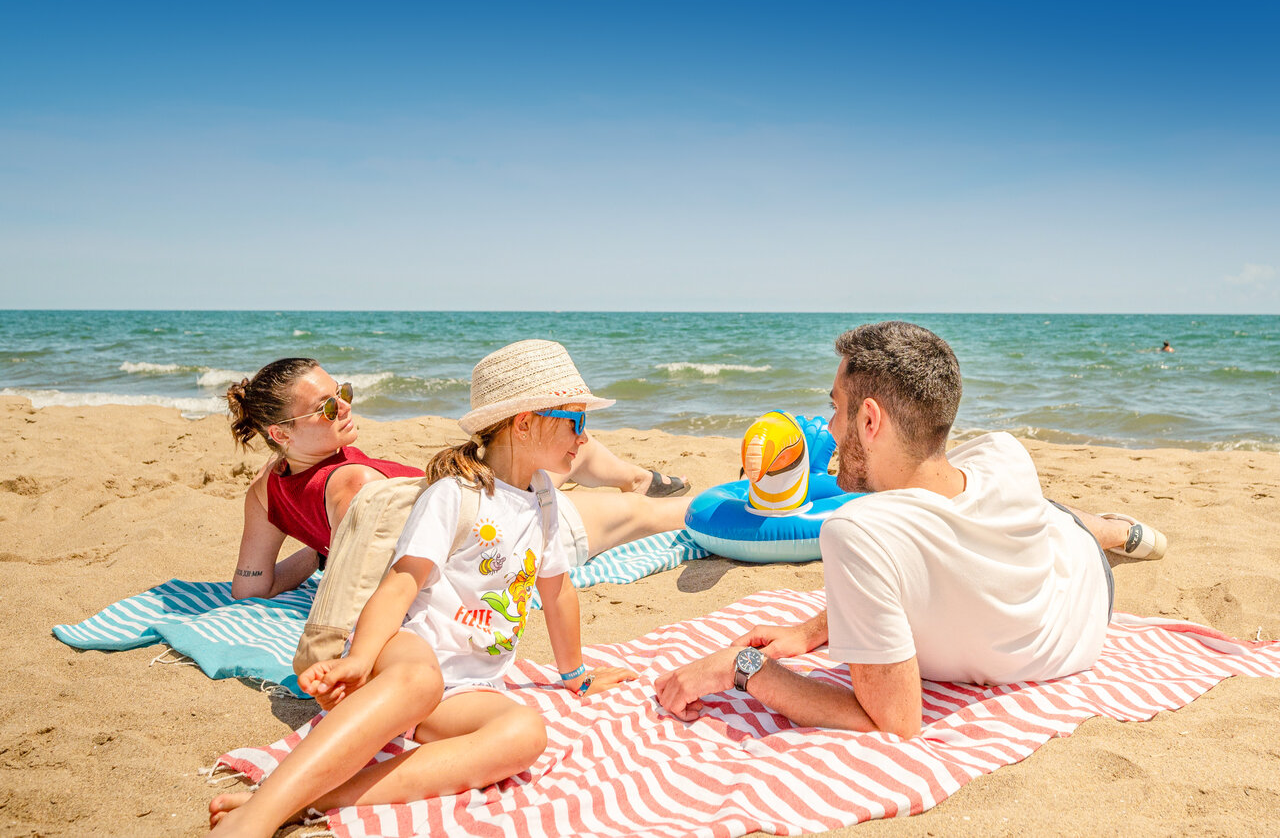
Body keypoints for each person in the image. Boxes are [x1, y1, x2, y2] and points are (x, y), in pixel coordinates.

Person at [655, 321, 1167, 738]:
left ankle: (1109, 530)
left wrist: (743, 668)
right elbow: (909, 570)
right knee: (1050, 515)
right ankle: (1102, 531)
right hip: (1080, 588)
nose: (829, 427)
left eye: (836, 408)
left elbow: (894, 723)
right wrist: (807, 634)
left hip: (1081, 581)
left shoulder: (855, 532)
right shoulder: (1004, 451)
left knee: (1064, 518)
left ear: (870, 421)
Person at [208, 339, 639, 835]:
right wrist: (359, 660)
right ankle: (257, 820)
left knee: (523, 734)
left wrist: (576, 674)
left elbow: (557, 591)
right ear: (524, 422)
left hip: (470, 684)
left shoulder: (544, 500)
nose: (584, 437)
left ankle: (305, 800)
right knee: (420, 679)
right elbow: (399, 584)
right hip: (407, 651)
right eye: (576, 422)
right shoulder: (454, 494)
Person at [225, 357, 690, 599]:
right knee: (645, 514)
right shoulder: (354, 485)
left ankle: (635, 476)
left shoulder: (266, 491)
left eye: (341, 392)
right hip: (496, 525)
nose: (345, 406)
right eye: (327, 408)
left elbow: (252, 587)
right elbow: (411, 576)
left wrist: (320, 548)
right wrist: (330, 544)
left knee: (564, 450)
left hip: (479, 490)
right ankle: (692, 495)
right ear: (280, 431)